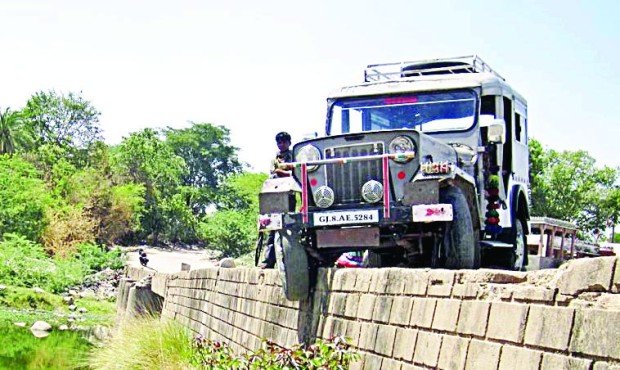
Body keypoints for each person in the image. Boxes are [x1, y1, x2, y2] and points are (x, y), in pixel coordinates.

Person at [258, 132, 293, 269]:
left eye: (284, 142)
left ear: (289, 142)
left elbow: (297, 173)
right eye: (279, 142)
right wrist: (285, 172)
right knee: (273, 228)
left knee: (288, 227)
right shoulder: (275, 159)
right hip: (275, 195)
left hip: (288, 195)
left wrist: (284, 172)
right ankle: (268, 261)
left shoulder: (294, 155)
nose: (281, 144)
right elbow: (274, 173)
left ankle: (287, 261)